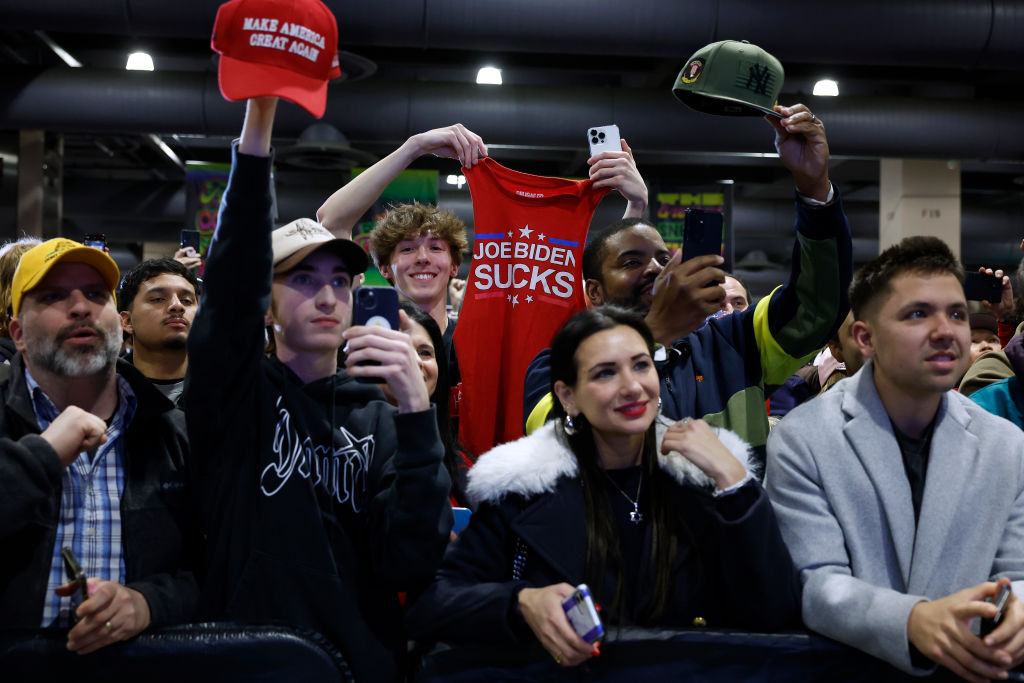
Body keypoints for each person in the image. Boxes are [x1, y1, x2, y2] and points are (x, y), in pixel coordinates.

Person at [186, 97, 452, 683]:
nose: (327, 296)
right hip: (239, 656)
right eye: (301, 279)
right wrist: (258, 124)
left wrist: (415, 412)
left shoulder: (381, 416)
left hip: (354, 665)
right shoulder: (235, 394)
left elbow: (410, 559)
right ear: (267, 305)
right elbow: (231, 281)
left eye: (339, 280)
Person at [407, 306, 799, 667]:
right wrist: (521, 602)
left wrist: (736, 483)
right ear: (567, 396)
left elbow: (776, 609)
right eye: (605, 373)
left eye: (641, 366)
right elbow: (432, 605)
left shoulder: (705, 476)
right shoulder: (525, 486)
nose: (632, 387)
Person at [524, 104, 852, 469]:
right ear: (595, 293)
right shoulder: (557, 365)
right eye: (632, 262)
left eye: (662, 259)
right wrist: (655, 333)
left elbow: (817, 306)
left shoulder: (735, 342)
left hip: (733, 523)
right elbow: (554, 443)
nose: (653, 267)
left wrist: (814, 190)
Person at [766, 236, 1024, 681]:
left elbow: (1017, 570)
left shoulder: (1005, 442)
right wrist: (910, 620)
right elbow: (814, 582)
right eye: (918, 314)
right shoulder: (803, 438)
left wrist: (1019, 605)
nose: (945, 330)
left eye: (957, 313)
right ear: (866, 338)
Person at [0, 238, 197, 654]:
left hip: (141, 667)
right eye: (53, 296)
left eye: (94, 294)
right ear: (17, 333)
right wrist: (43, 455)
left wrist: (149, 604)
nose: (81, 308)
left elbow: (218, 568)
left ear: (116, 318)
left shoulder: (172, 431)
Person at [117, 258, 200, 405]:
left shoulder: (228, 390)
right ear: (127, 321)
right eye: (158, 299)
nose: (177, 306)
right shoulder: (101, 394)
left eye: (186, 300)